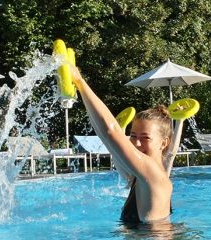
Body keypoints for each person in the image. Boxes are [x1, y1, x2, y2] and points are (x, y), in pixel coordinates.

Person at [70, 66, 184, 223]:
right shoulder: (140, 177)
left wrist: (80, 82)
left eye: (145, 138)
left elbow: (110, 133)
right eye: (133, 136)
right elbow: (106, 137)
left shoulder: (153, 174)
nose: (136, 143)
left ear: (164, 143)